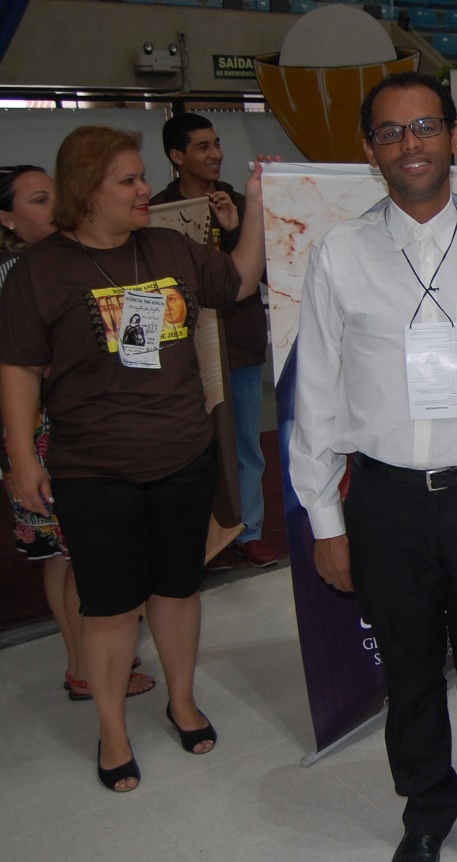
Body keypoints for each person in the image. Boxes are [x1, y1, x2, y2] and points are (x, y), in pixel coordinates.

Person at [288, 72, 457, 862]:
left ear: (455, 137)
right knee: (409, 670)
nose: (409, 144)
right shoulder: (340, 255)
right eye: (389, 132)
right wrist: (326, 521)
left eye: (424, 126)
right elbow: (316, 396)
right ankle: (426, 809)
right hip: (384, 503)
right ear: (370, 151)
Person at [0, 127, 266, 792]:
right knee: (112, 606)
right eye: (128, 180)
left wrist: (257, 206)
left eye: (142, 176)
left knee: (176, 591)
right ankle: (113, 730)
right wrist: (22, 458)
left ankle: (182, 701)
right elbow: (19, 368)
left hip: (182, 456)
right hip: (94, 469)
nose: (145, 189)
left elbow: (237, 281)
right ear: (88, 192)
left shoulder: (168, 246)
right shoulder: (42, 271)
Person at [0, 165, 155, 702]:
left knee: (68, 554)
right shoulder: (18, 275)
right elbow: (26, 363)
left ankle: (88, 660)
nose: (54, 207)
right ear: (7, 219)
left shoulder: (81, 259)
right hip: (43, 431)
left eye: (56, 195)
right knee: (75, 554)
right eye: (38, 200)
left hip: (85, 426)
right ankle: (88, 663)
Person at [152, 113, 276, 571]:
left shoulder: (242, 204)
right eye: (202, 146)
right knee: (193, 447)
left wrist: (236, 226)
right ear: (177, 156)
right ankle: (207, 537)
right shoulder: (157, 213)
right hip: (184, 353)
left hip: (239, 344)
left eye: (217, 143)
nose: (215, 153)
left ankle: (250, 532)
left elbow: (268, 274)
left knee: (245, 444)